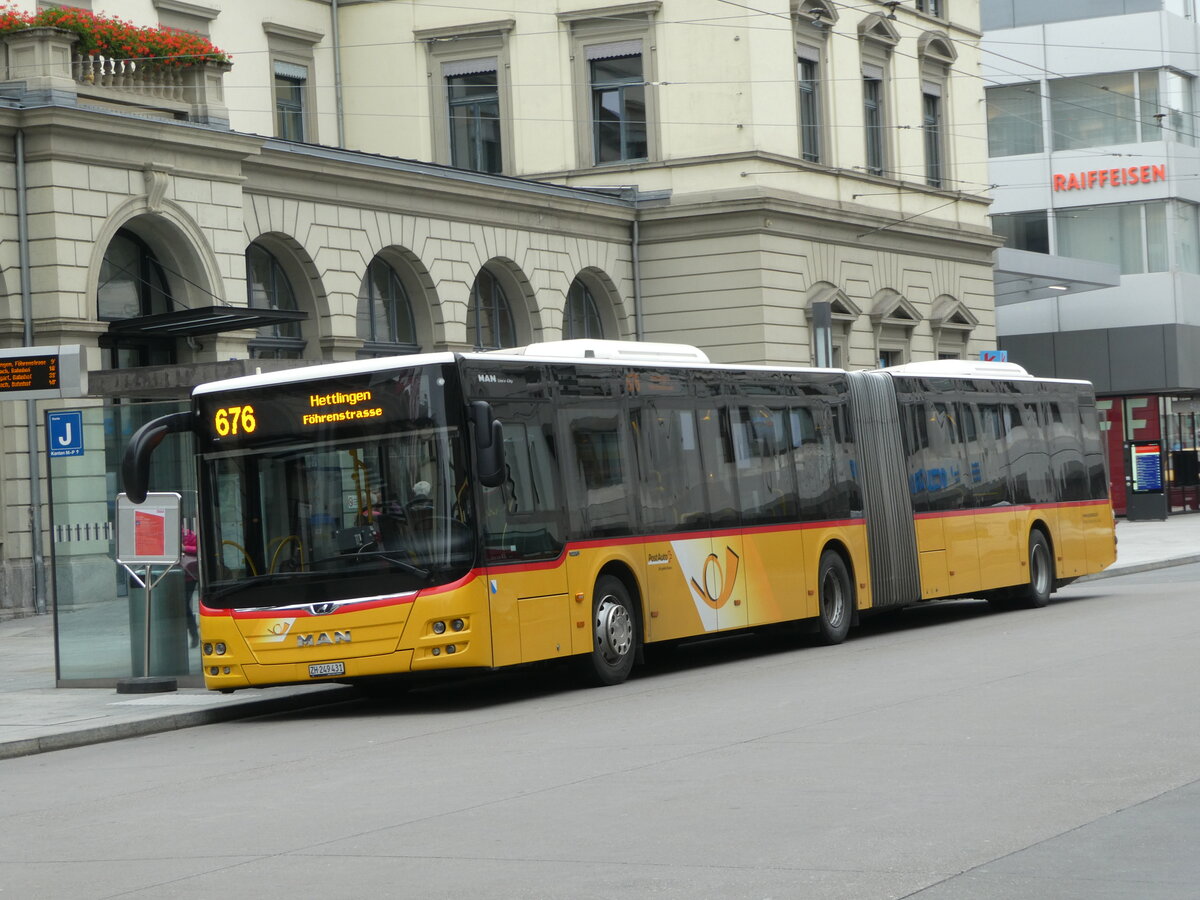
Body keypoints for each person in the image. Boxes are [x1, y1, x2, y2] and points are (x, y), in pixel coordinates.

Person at [181, 529, 200, 648]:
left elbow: (200, 548)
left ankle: (193, 634)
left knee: (184, 606)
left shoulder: (189, 535)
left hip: (189, 577)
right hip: (171, 576)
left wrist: (185, 548)